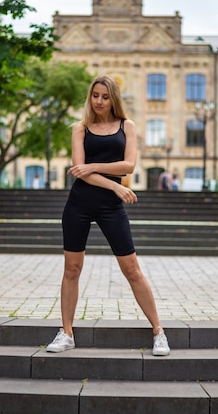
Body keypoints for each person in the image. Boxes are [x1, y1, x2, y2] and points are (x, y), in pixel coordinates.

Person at [47, 75, 170, 356]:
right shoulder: (80, 129)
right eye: (95, 96)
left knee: (132, 270)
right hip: (79, 203)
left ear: (114, 98)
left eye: (105, 96)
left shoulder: (127, 126)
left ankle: (159, 332)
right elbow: (81, 172)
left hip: (110, 207)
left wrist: (92, 168)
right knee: (71, 270)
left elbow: (128, 164)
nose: (99, 101)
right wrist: (113, 183)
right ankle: (66, 333)